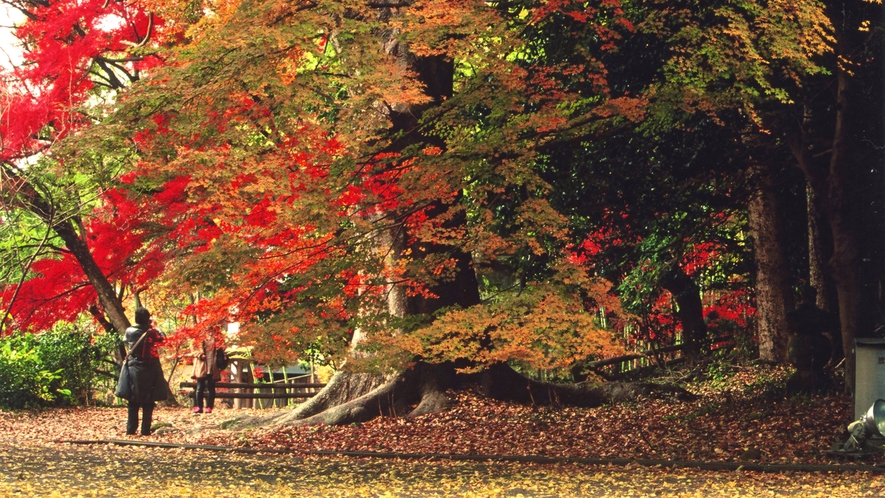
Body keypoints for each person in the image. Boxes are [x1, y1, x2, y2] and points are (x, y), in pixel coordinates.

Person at [115, 307, 167, 435]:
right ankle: (145, 430)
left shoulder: (130, 331)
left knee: (133, 399)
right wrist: (155, 327)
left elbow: (125, 342)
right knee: (148, 400)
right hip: (151, 367)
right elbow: (164, 339)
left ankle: (131, 430)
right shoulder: (153, 332)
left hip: (134, 367)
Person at [191, 332, 222, 414]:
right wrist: (200, 355)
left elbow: (222, 349)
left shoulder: (217, 336)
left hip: (213, 366)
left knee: (211, 388)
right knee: (199, 387)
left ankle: (209, 407)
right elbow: (193, 349)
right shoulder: (199, 336)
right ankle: (199, 407)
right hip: (202, 366)